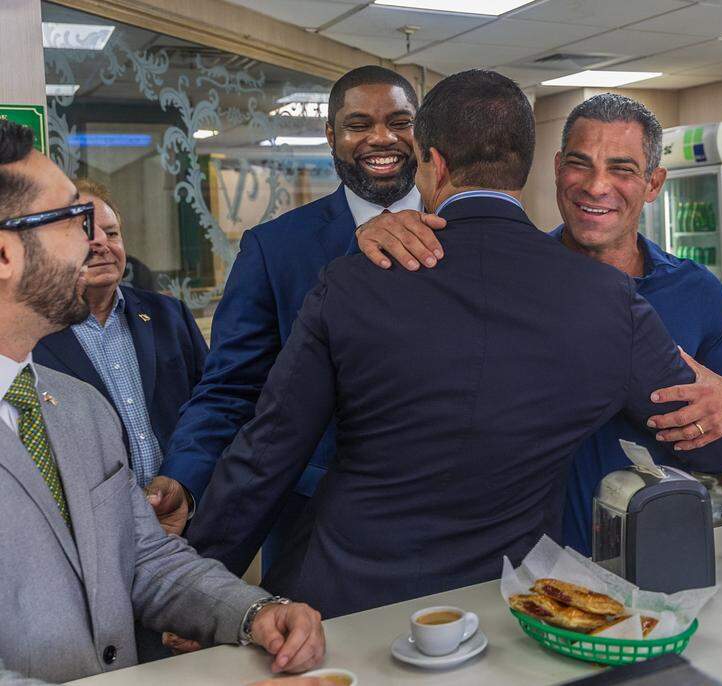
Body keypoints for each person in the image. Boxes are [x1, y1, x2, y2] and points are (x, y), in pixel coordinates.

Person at [186, 70, 722, 618]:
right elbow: (710, 447)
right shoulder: (608, 299)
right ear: (529, 166)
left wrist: (200, 581)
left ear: (435, 162)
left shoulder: (354, 281)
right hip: (515, 603)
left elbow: (269, 450)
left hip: (354, 598)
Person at [355, 93, 722, 555]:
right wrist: (368, 235)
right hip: (513, 561)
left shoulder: (694, 291)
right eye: (581, 164)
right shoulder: (504, 277)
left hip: (650, 553)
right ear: (558, 169)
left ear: (654, 182)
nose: (596, 186)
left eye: (621, 169)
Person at [0, 120, 325, 684]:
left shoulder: (80, 409)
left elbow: (143, 560)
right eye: (72, 219)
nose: (93, 239)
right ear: (5, 255)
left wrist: (253, 612)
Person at [150, 66, 424, 564]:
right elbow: (232, 388)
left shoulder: (463, 234)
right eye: (359, 124)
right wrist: (186, 477)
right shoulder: (275, 249)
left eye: (400, 122)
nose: (381, 138)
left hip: (451, 522)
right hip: (313, 528)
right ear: (331, 137)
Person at [34, 179, 207, 489]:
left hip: (186, 512)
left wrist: (186, 483)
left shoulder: (169, 315)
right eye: (84, 233)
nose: (102, 243)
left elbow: (209, 409)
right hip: (94, 525)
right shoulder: (32, 337)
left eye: (111, 233)